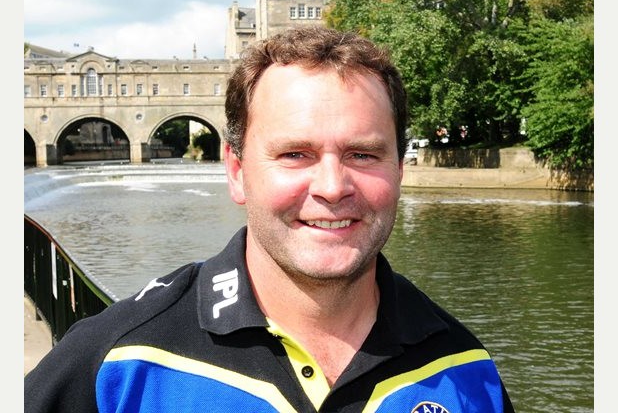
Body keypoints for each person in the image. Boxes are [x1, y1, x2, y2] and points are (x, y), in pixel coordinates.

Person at [25, 26, 514, 412]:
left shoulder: (464, 370)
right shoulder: (118, 362)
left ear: (400, 171)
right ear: (237, 172)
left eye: (363, 154)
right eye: (295, 153)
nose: (331, 186)